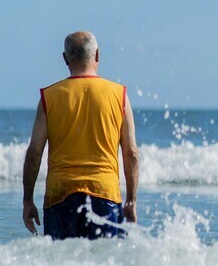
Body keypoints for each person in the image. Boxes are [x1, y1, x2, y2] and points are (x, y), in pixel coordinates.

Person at [22, 31, 139, 239]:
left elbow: (34, 152)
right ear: (97, 55)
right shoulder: (119, 95)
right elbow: (131, 154)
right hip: (105, 194)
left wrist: (27, 201)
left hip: (60, 196)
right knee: (107, 265)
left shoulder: (49, 97)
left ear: (65, 58)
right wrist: (131, 201)